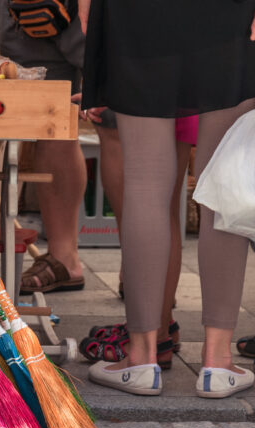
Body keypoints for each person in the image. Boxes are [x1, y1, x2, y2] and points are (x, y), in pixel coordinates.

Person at [80, 0, 255, 398]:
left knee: (144, 182)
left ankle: (140, 358)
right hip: (232, 15)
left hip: (137, 15)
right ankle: (217, 362)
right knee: (224, 183)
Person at [77, 114, 196, 368]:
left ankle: (148, 341)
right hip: (194, 85)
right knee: (167, 205)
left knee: (150, 200)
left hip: (148, 84)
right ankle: (160, 328)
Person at [0, 2, 92, 295]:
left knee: (120, 123)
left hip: (106, 12)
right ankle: (64, 258)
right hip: (32, 11)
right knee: (51, 118)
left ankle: (143, 272)